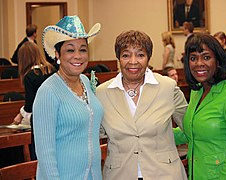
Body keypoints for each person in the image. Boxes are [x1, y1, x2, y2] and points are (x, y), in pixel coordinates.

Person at [96, 30, 188, 180]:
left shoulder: (167, 88)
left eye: (140, 55)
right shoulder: (102, 93)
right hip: (119, 175)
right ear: (118, 58)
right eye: (126, 55)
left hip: (165, 174)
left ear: (148, 58)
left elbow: (191, 127)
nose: (133, 61)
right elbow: (92, 135)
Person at [174, 33, 226, 179]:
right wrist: (155, 133)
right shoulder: (198, 90)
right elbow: (192, 129)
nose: (199, 63)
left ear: (218, 60)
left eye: (206, 57)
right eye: (193, 58)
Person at [33, 15, 103, 179]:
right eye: (70, 50)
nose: (78, 56)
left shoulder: (85, 81)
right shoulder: (48, 92)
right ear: (57, 54)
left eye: (83, 49)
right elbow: (45, 155)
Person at [12, 41, 56, 160]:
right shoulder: (51, 69)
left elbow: (30, 107)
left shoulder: (30, 76)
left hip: (41, 125)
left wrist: (21, 114)